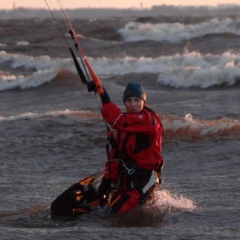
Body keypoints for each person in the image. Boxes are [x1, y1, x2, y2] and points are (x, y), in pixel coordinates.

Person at [88, 81, 164, 214]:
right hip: (129, 177)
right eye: (129, 101)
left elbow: (117, 120)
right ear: (124, 103)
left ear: (143, 102)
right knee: (105, 209)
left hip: (146, 178)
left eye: (137, 100)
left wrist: (103, 95)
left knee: (116, 213)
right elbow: (116, 157)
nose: (133, 104)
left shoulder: (148, 120)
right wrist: (107, 180)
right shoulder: (124, 128)